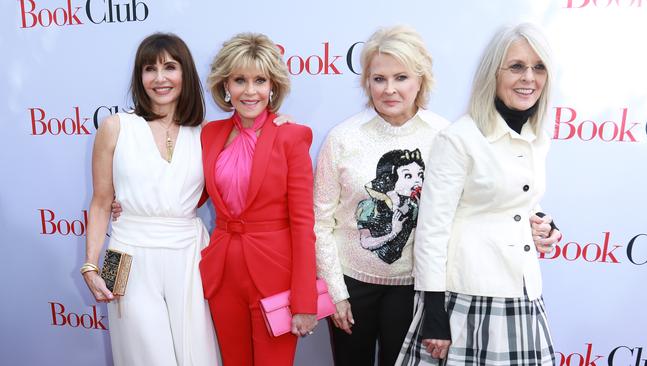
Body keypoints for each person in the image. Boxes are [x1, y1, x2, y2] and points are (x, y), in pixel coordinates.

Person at [402, 23, 562, 366]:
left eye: (539, 67)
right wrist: (433, 313)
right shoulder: (458, 139)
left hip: (523, 292)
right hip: (467, 298)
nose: (529, 78)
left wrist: (543, 223)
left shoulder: (538, 137)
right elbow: (432, 230)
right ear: (493, 72)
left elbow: (519, 201)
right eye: (517, 66)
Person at [313, 26, 450, 366]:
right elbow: (320, 221)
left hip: (415, 288)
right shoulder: (342, 137)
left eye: (401, 77)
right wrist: (335, 291)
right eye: (379, 79)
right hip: (351, 286)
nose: (389, 89)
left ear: (421, 80)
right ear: (367, 82)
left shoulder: (445, 137)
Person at [81, 33, 220, 365]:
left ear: (185, 73)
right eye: (149, 69)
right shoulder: (115, 127)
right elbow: (101, 202)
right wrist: (90, 265)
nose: (159, 78)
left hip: (190, 251)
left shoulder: (206, 133)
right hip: (123, 250)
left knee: (197, 356)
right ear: (139, 77)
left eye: (169, 67)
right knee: (139, 354)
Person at [199, 32, 318, 366]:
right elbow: (190, 195)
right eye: (240, 80)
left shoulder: (292, 136)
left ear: (272, 86)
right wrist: (129, 203)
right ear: (225, 85)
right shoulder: (210, 134)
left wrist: (305, 300)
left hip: (275, 278)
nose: (250, 91)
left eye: (259, 80)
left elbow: (303, 223)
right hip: (224, 277)